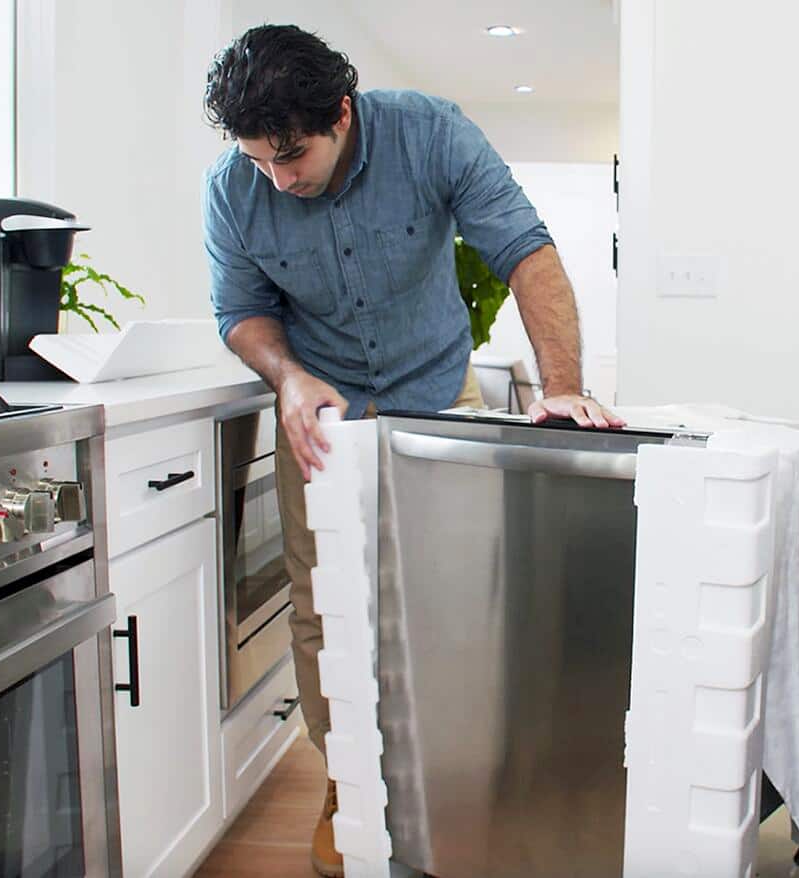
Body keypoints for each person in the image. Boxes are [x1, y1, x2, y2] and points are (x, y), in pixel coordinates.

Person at [202, 24, 624, 877]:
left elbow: (524, 251)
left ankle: (459, 775)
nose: (278, 179)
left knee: (462, 600)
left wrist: (563, 384)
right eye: (261, 162)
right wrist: (285, 376)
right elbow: (239, 311)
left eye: (292, 155)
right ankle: (349, 781)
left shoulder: (429, 132)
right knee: (325, 606)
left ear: (342, 115)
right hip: (322, 418)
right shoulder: (233, 190)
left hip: (439, 400)